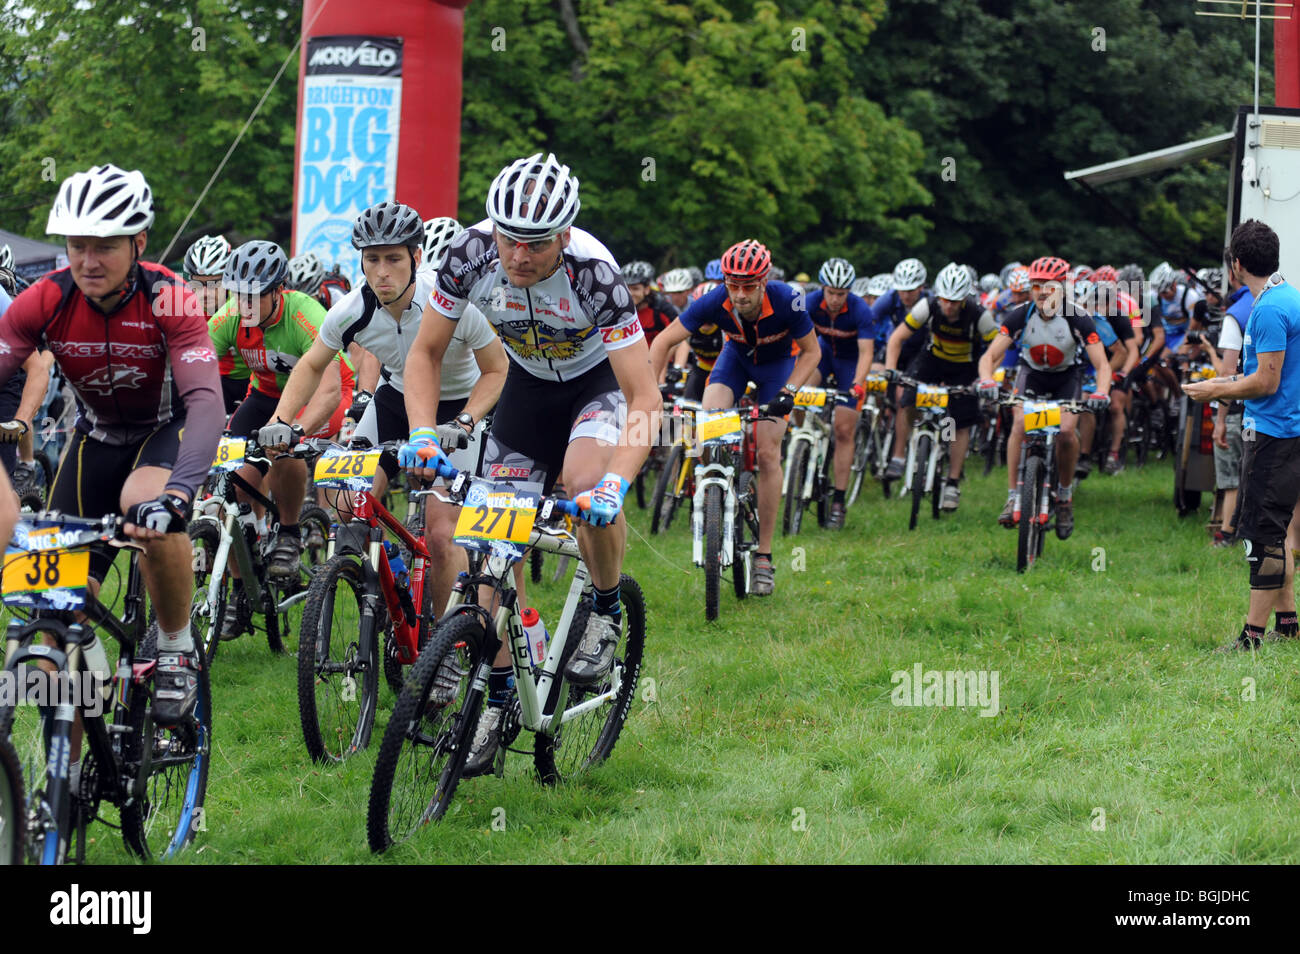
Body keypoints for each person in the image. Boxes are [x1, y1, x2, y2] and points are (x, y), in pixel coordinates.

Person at [402, 152, 659, 775]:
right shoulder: (468, 256)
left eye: (536, 244)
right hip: (526, 391)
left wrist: (615, 486)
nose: (518, 255)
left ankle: (604, 608)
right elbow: (426, 352)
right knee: (493, 547)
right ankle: (497, 699)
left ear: (565, 236)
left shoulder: (596, 275)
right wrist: (423, 434)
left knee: (583, 482)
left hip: (593, 384)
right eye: (508, 239)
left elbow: (645, 399)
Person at [0, 163, 224, 727]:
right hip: (93, 439)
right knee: (49, 632)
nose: (88, 261)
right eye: (77, 245)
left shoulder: (169, 299)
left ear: (139, 242)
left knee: (145, 510)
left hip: (161, 433)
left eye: (104, 246)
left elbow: (206, 404)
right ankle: (64, 788)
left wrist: (178, 494)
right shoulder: (44, 301)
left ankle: (174, 647)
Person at [262, 202, 508, 615]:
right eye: (371, 259)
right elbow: (311, 364)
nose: (381, 272)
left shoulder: (451, 303)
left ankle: (447, 650)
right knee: (345, 502)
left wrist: (467, 420)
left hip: (459, 408)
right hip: (395, 397)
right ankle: (397, 575)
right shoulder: (351, 311)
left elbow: (497, 370)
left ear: (417, 256)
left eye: (393, 258)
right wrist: (280, 421)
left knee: (443, 532)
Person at [650, 238, 821, 592]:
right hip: (736, 361)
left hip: (777, 368)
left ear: (763, 282)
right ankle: (717, 495)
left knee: (768, 451)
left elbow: (811, 352)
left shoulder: (789, 298)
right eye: (733, 286)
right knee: (709, 419)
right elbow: (662, 342)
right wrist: (650, 395)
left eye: (748, 287)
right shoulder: (714, 300)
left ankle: (764, 555)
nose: (740, 295)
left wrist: (789, 393)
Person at [1184, 220, 1300, 651]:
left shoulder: (1268, 308)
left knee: (1261, 536)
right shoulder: (1285, 296)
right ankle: (1287, 624)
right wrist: (1232, 380)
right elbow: (1271, 372)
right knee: (1278, 531)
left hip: (1276, 434)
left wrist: (1216, 389)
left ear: (1236, 265)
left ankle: (1250, 637)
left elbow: (1266, 382)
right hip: (1284, 431)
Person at [208, 240, 354, 581]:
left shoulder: (306, 314)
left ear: (278, 291)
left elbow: (330, 390)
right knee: (236, 481)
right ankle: (249, 563)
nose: (243, 304)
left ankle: (288, 532)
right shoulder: (231, 316)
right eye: (237, 294)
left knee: (284, 448)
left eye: (253, 295)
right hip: (265, 395)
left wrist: (297, 429)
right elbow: (194, 368)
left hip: (322, 395)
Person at [977, 255, 1110, 539]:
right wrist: (987, 378)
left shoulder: (1078, 318)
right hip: (1032, 375)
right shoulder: (1020, 314)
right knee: (1019, 425)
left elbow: (1102, 365)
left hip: (1067, 378)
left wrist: (1101, 391)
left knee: (1065, 432)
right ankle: (1013, 496)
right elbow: (990, 355)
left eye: (1049, 286)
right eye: (1037, 286)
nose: (1042, 292)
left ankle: (1063, 496)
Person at [884, 262, 996, 512]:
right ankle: (899, 456)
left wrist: (986, 377)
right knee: (907, 397)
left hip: (965, 367)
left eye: (955, 301)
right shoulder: (928, 306)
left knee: (960, 422)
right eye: (945, 299)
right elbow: (897, 338)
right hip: (932, 359)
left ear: (965, 298)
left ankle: (953, 482)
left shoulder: (980, 315)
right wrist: (891, 369)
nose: (948, 306)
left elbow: (998, 347)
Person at [805, 257, 875, 528]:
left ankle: (838, 501)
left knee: (844, 430)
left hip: (850, 364)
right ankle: (805, 443)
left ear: (849, 292)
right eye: (831, 292)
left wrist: (858, 382)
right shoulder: (809, 303)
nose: (835, 299)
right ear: (823, 288)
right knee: (797, 395)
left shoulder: (861, 310)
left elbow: (867, 352)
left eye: (841, 294)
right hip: (822, 356)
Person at [1210, 254, 1254, 546]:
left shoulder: (1236, 313)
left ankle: (1226, 534)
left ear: (1234, 270)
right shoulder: (1282, 303)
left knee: (1231, 477)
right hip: (1270, 409)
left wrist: (1220, 421)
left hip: (1239, 406)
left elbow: (1227, 374)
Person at [183, 234, 246, 413]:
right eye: (198, 284)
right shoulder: (183, 307)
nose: (205, 293)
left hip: (250, 382)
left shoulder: (246, 305)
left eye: (214, 284)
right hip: (210, 380)